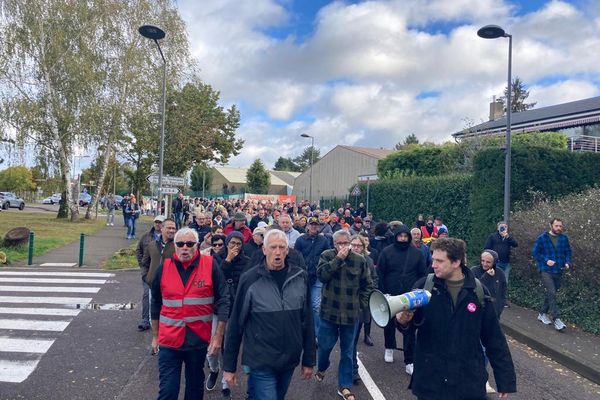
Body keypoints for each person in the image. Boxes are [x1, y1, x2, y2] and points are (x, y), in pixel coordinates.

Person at [397, 237, 517, 399]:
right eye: (433, 260)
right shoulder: (424, 286)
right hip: (431, 382)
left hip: (468, 382)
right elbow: (410, 329)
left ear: (456, 262)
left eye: (440, 261)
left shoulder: (478, 292)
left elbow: (494, 337)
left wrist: (505, 380)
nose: (433, 265)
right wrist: (403, 322)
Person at [223, 229, 315, 400]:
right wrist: (229, 366)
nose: (278, 252)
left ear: (288, 251)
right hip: (261, 359)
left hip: (289, 358)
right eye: (273, 247)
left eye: (282, 247)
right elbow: (236, 324)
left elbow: (307, 321)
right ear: (264, 250)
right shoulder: (250, 280)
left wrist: (309, 359)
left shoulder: (300, 278)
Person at [150, 227, 230, 400]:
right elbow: (155, 302)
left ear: (197, 245)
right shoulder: (164, 268)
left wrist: (218, 337)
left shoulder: (210, 265)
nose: (185, 247)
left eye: (189, 244)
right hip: (170, 340)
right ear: (175, 246)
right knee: (167, 391)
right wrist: (155, 336)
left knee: (194, 390)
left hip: (198, 340)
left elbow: (224, 299)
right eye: (180, 244)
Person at [315, 230, 373, 400]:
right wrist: (338, 259)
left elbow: (367, 285)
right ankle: (322, 367)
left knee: (347, 352)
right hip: (329, 312)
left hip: (350, 314)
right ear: (334, 244)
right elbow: (322, 276)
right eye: (339, 243)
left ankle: (345, 386)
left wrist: (361, 305)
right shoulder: (326, 256)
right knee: (325, 347)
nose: (343, 246)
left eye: (345, 243)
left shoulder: (359, 260)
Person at [377, 224, 427, 374]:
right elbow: (381, 273)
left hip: (409, 297)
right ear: (396, 236)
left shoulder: (418, 254)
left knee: (410, 329)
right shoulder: (386, 252)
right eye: (400, 236)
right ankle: (389, 347)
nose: (403, 239)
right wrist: (383, 292)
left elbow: (422, 274)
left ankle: (409, 360)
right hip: (390, 294)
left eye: (405, 236)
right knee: (389, 324)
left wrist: (417, 293)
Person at [206, 232, 250, 400]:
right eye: (232, 243)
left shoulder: (247, 261)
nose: (235, 246)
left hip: (236, 309)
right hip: (218, 308)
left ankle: (225, 385)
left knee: (228, 348)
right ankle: (214, 369)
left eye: (238, 243)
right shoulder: (216, 258)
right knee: (212, 348)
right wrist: (228, 259)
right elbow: (217, 279)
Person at [532, 218, 572, 331]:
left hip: (559, 270)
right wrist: (545, 260)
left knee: (551, 294)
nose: (559, 228)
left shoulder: (564, 238)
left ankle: (542, 313)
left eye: (560, 226)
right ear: (551, 225)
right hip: (545, 270)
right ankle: (557, 319)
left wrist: (567, 262)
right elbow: (535, 252)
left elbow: (568, 251)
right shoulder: (542, 238)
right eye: (556, 226)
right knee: (552, 292)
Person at [294, 216, 331, 337]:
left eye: (316, 224)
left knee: (316, 305)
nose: (314, 226)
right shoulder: (300, 240)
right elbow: (296, 256)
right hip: (303, 276)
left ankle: (316, 334)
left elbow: (328, 256)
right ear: (307, 226)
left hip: (318, 276)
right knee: (301, 304)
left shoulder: (323, 240)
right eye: (312, 224)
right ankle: (300, 330)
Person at [350, 234, 378, 383]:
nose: (356, 248)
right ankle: (350, 367)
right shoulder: (344, 259)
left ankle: (352, 369)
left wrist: (367, 296)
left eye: (358, 245)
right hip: (346, 304)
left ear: (363, 247)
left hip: (361, 304)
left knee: (353, 338)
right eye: (353, 245)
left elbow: (374, 279)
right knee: (350, 339)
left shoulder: (368, 260)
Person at [136, 215, 165, 331]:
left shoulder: (168, 237)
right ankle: (145, 319)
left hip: (163, 272)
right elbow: (139, 250)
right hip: (149, 272)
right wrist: (143, 268)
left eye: (160, 222)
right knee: (147, 295)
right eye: (156, 222)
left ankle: (160, 319)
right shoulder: (146, 236)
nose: (158, 224)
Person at [141, 219, 176, 291]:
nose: (171, 231)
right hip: (153, 286)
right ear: (162, 229)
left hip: (170, 287)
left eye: (173, 228)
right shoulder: (152, 245)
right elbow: (145, 263)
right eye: (169, 228)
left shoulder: (178, 246)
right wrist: (146, 277)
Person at [471, 250, 507, 318]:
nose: (484, 264)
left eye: (488, 262)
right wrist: (486, 276)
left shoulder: (500, 273)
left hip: (493, 313)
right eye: (482, 260)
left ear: (494, 262)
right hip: (477, 312)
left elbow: (503, 292)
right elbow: (475, 288)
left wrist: (499, 308)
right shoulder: (474, 271)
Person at [484, 221, 518, 285]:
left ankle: (503, 293)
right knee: (496, 280)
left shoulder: (508, 237)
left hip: (506, 262)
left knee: (504, 281)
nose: (503, 228)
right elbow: (486, 248)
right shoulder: (493, 237)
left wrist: (508, 237)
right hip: (496, 262)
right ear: (498, 228)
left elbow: (515, 244)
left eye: (505, 227)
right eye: (501, 227)